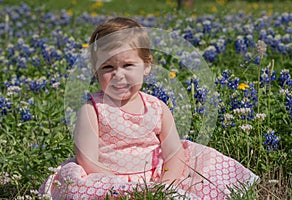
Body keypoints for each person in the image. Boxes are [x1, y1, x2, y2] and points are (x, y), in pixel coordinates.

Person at [39, 17, 258, 199]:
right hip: (107, 182)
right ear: (95, 71)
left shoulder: (157, 107)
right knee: (79, 185)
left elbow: (174, 154)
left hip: (155, 179)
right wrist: (120, 187)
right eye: (107, 67)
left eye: (128, 65)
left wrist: (164, 187)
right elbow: (87, 161)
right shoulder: (92, 110)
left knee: (199, 167)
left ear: (147, 66)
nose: (118, 75)